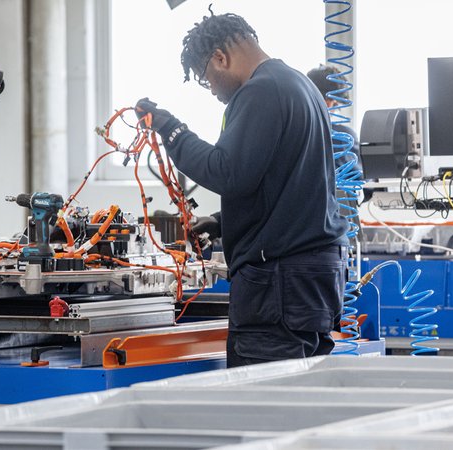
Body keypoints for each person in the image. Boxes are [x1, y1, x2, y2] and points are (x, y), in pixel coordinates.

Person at [135, 11, 349, 368]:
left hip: (279, 282)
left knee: (264, 407)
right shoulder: (298, 85)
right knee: (300, 400)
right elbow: (288, 183)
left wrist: (171, 130)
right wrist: (223, 221)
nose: (214, 92)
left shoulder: (260, 90)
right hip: (313, 275)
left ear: (221, 57)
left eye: (208, 79)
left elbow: (227, 172)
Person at [306, 64, 362, 175]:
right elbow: (361, 177)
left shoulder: (292, 130)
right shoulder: (342, 137)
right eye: (335, 104)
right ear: (327, 101)